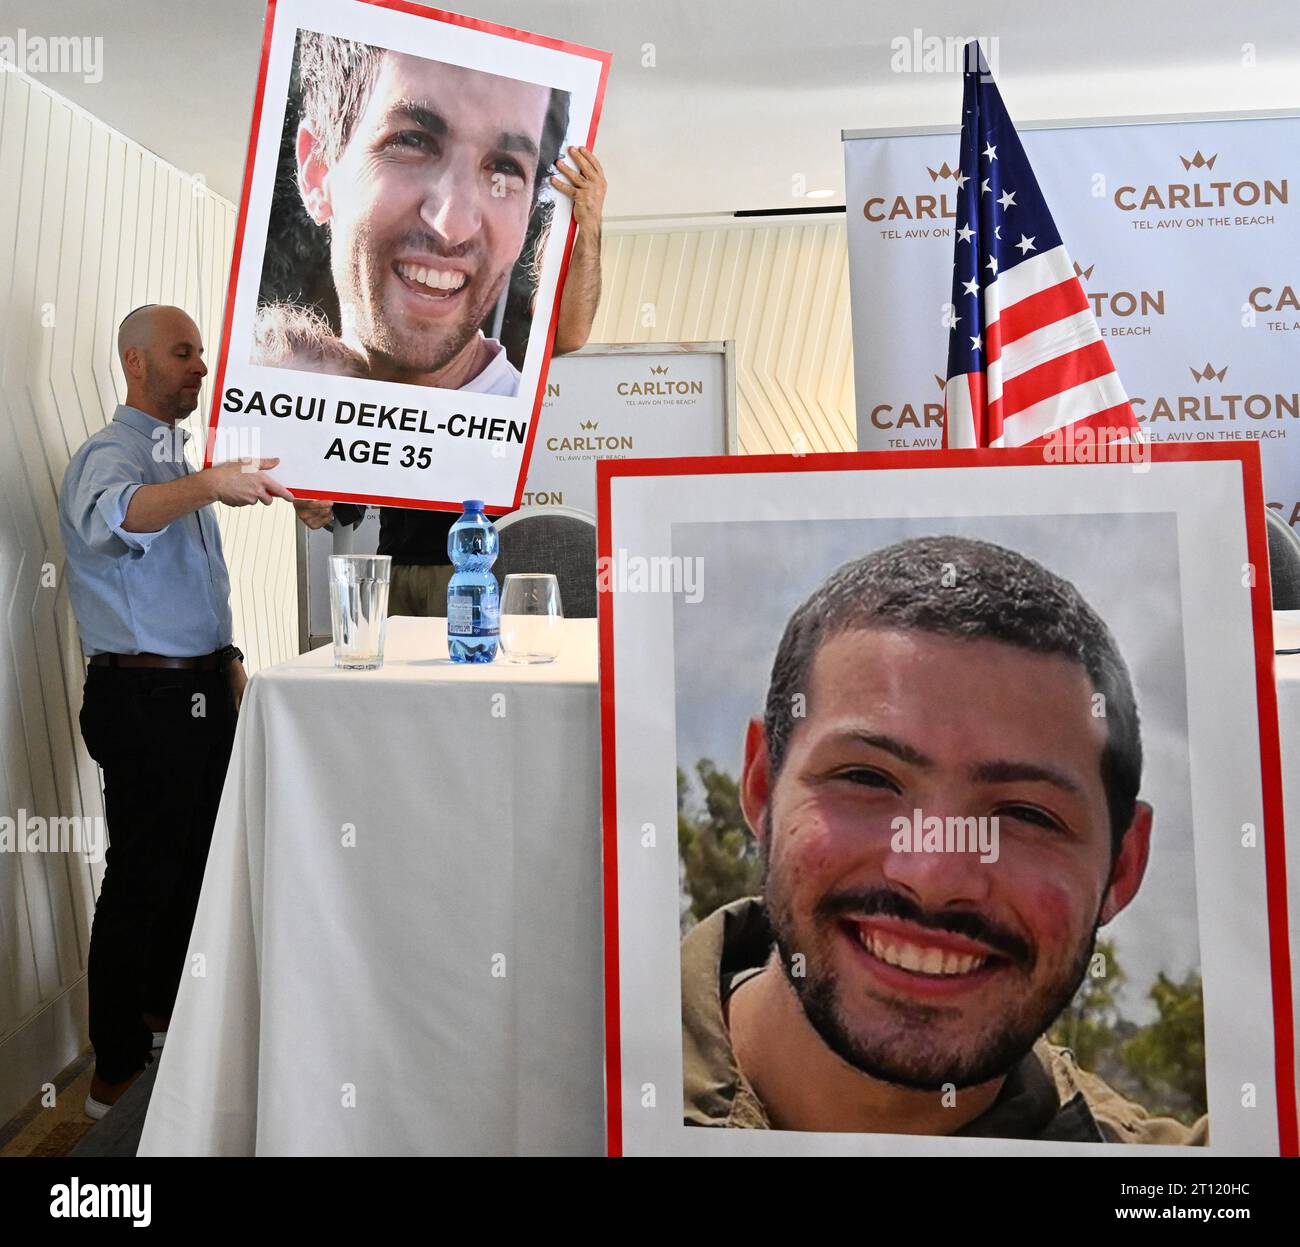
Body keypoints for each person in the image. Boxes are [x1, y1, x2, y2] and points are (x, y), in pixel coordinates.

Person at [683, 535, 1207, 1144]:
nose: (932, 875)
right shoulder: (567, 1094)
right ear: (762, 788)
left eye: (1026, 815)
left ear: (1122, 866)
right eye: (867, 778)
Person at [58, 304, 293, 1119]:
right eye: (182, 352)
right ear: (135, 362)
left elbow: (190, 593)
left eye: (200, 353)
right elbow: (116, 516)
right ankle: (112, 1073)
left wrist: (226, 662)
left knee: (196, 872)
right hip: (143, 699)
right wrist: (211, 483)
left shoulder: (178, 461)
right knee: (142, 877)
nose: (199, 366)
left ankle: (163, 1039)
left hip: (199, 690)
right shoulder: (110, 456)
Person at [286, 35, 609, 614]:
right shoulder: (312, 382)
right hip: (396, 573)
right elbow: (343, 504)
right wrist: (315, 500)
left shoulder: (507, 374)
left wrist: (586, 222)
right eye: (411, 141)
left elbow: (572, 332)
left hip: (483, 573)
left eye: (505, 169)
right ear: (318, 171)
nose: (452, 222)